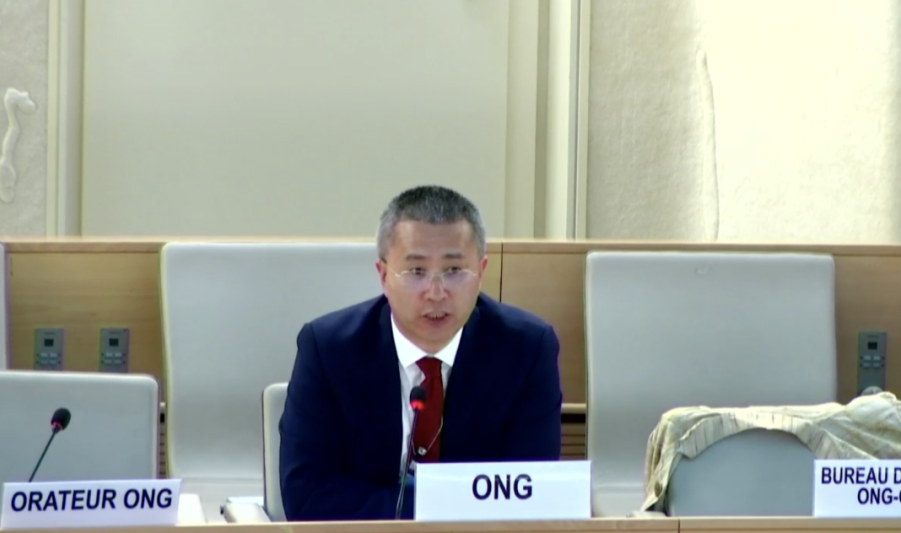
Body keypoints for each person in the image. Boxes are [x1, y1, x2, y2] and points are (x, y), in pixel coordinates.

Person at [278, 185, 562, 521]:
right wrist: (439, 510)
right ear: (383, 275)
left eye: (454, 270)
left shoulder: (526, 349)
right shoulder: (329, 350)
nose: (436, 292)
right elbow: (306, 495)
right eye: (416, 271)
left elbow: (530, 491)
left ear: (481, 272)